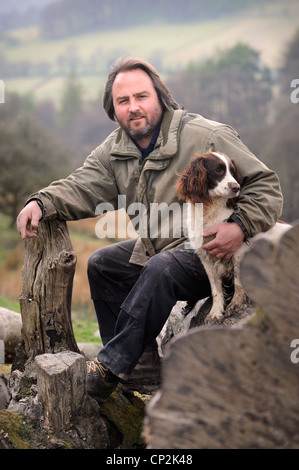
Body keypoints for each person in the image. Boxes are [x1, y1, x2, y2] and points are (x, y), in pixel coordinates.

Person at [17, 57, 283, 403]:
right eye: (123, 101)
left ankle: (110, 367)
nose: (134, 107)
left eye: (141, 97)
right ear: (113, 110)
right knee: (103, 264)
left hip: (214, 251)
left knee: (161, 268)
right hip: (162, 248)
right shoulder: (116, 150)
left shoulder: (207, 135)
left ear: (160, 96)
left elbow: (266, 186)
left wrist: (240, 226)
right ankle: (140, 366)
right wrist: (42, 202)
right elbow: (82, 186)